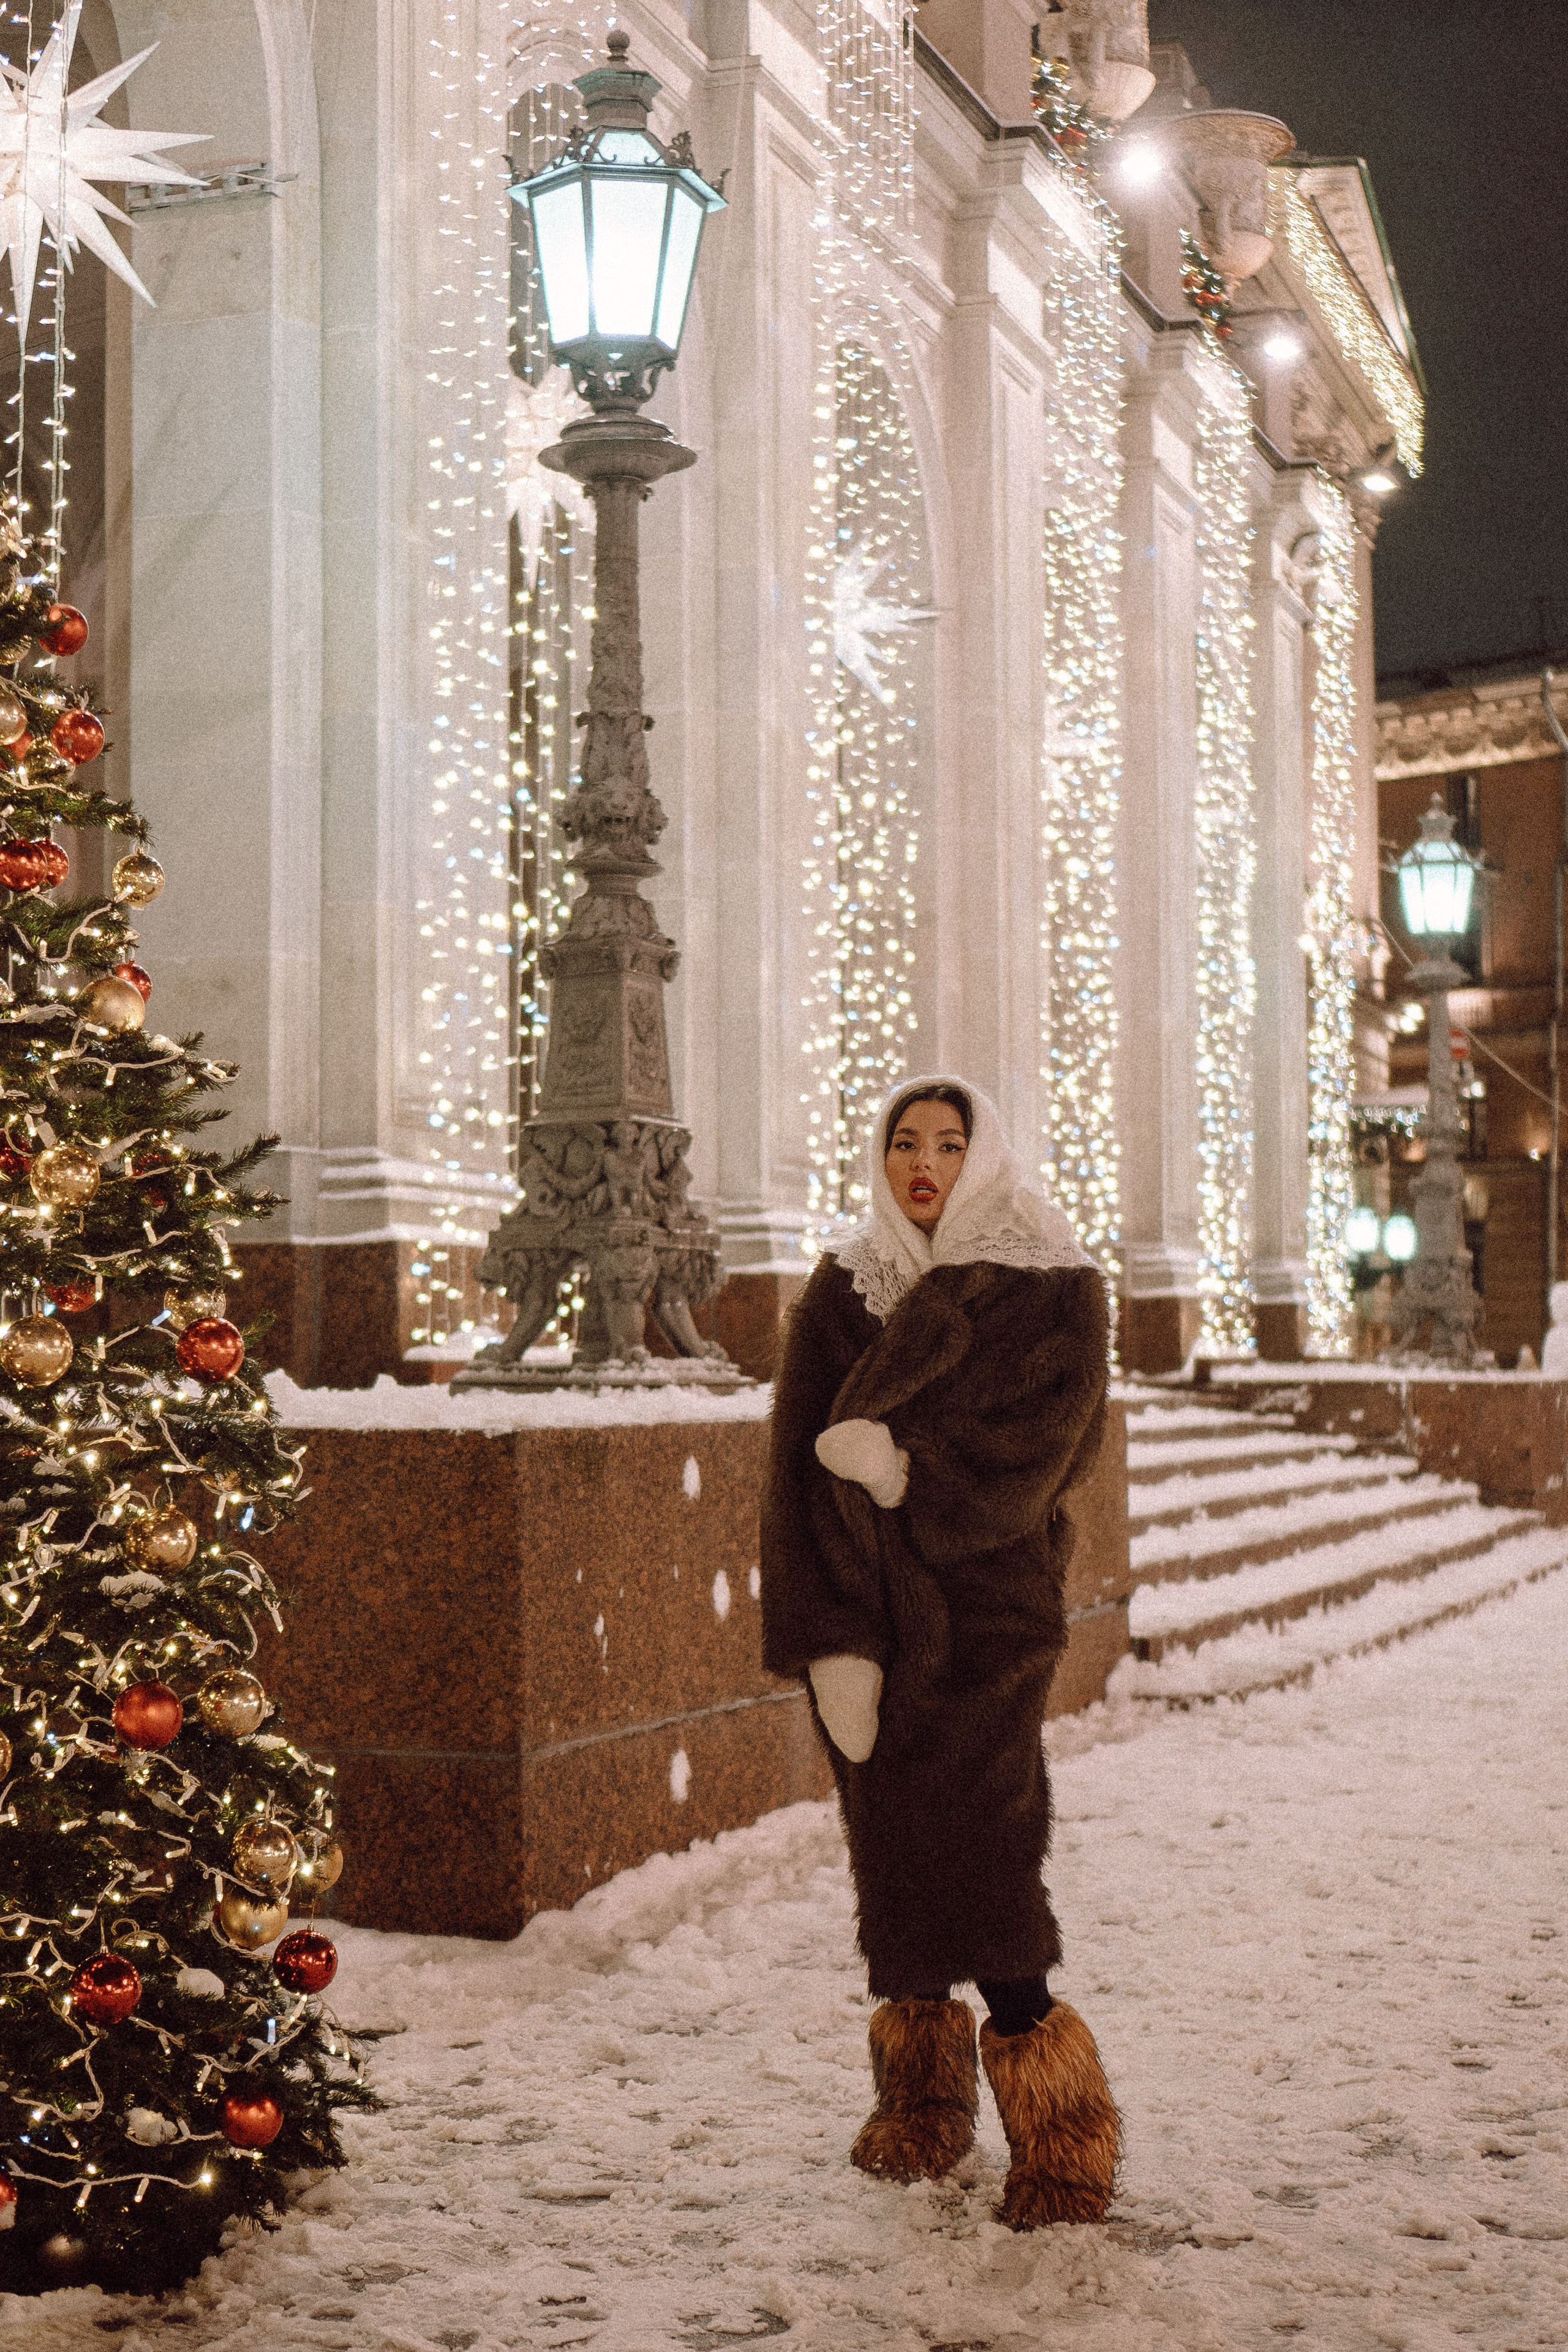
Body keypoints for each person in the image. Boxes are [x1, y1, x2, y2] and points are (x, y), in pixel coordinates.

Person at [760, 1075, 1119, 2230]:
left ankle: (1061, 2133)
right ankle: (920, 2103)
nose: (926, 1164)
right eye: (905, 1142)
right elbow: (788, 1476)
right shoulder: (843, 1289)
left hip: (990, 1615)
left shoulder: (1054, 1284)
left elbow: (1050, 1451)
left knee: (985, 1849)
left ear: (984, 1155)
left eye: (950, 1144)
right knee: (892, 1851)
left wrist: (908, 1473)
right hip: (864, 1620)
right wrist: (828, 1642)